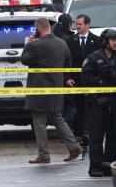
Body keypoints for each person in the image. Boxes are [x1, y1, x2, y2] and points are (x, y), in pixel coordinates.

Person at [21, 18, 82, 165]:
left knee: (39, 122)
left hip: (39, 90)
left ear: (38, 29)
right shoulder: (62, 43)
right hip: (56, 87)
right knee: (58, 118)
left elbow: (24, 59)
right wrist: (64, 78)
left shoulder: (37, 45)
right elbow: (68, 62)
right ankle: (73, 147)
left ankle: (44, 154)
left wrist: (28, 44)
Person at [79, 29, 116, 177]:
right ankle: (95, 167)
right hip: (99, 104)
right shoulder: (94, 58)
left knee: (114, 137)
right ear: (105, 41)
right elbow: (85, 77)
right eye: (112, 40)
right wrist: (100, 82)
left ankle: (109, 164)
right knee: (96, 137)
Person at [67, 14, 99, 147]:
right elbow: (67, 62)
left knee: (92, 108)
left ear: (87, 25)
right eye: (76, 24)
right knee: (78, 108)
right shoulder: (70, 41)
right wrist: (67, 77)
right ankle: (80, 134)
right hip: (75, 81)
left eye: (80, 24)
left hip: (91, 81)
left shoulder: (96, 40)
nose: (77, 26)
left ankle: (91, 133)